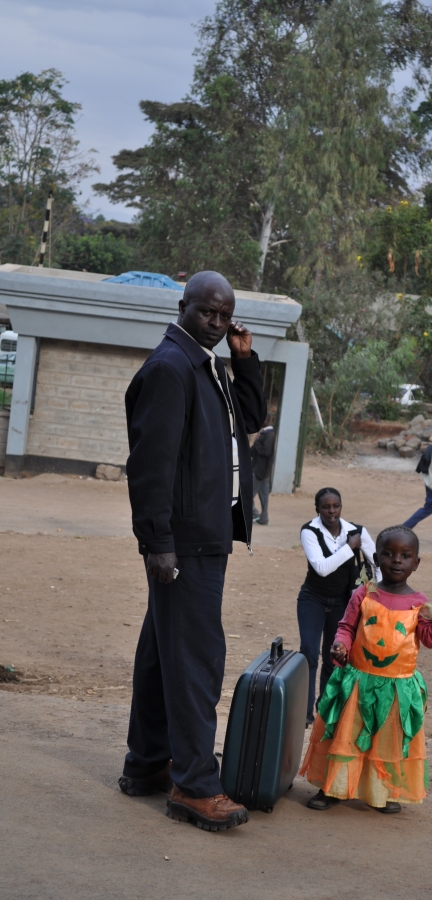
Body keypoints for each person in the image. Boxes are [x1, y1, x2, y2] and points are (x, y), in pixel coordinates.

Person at [118, 270, 267, 832]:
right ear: (183, 306)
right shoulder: (169, 368)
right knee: (197, 662)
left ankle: (148, 764)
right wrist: (157, 543)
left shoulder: (208, 365)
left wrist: (245, 359)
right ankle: (195, 788)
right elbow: (148, 466)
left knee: (163, 654)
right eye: (209, 313)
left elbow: (250, 422)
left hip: (205, 535)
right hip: (184, 544)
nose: (218, 323)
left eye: (226, 315)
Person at [300, 524, 432, 812]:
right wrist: (341, 646)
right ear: (376, 558)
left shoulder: (420, 604)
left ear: (416, 563)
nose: (396, 560)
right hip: (358, 684)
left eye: (405, 555)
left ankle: (381, 792)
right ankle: (334, 788)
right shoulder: (364, 594)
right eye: (388, 554)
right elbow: (346, 627)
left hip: (396, 688)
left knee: (385, 743)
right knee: (346, 737)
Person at [298, 487, 376, 726]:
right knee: (309, 652)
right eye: (326, 507)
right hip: (313, 599)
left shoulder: (357, 531)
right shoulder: (309, 531)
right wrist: (349, 548)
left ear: (341, 507)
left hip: (343, 601)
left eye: (336, 506)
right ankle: (303, 711)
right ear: (317, 509)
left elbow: (377, 560)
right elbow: (321, 568)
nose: (331, 511)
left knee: (334, 656)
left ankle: (326, 707)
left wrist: (381, 592)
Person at [251, 413, 275, 525]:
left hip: (259, 471)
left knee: (247, 494)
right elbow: (253, 451)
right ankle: (264, 518)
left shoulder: (269, 435)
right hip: (262, 472)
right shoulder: (264, 434)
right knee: (264, 497)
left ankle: (255, 514)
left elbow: (266, 451)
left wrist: (257, 443)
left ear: (267, 420)